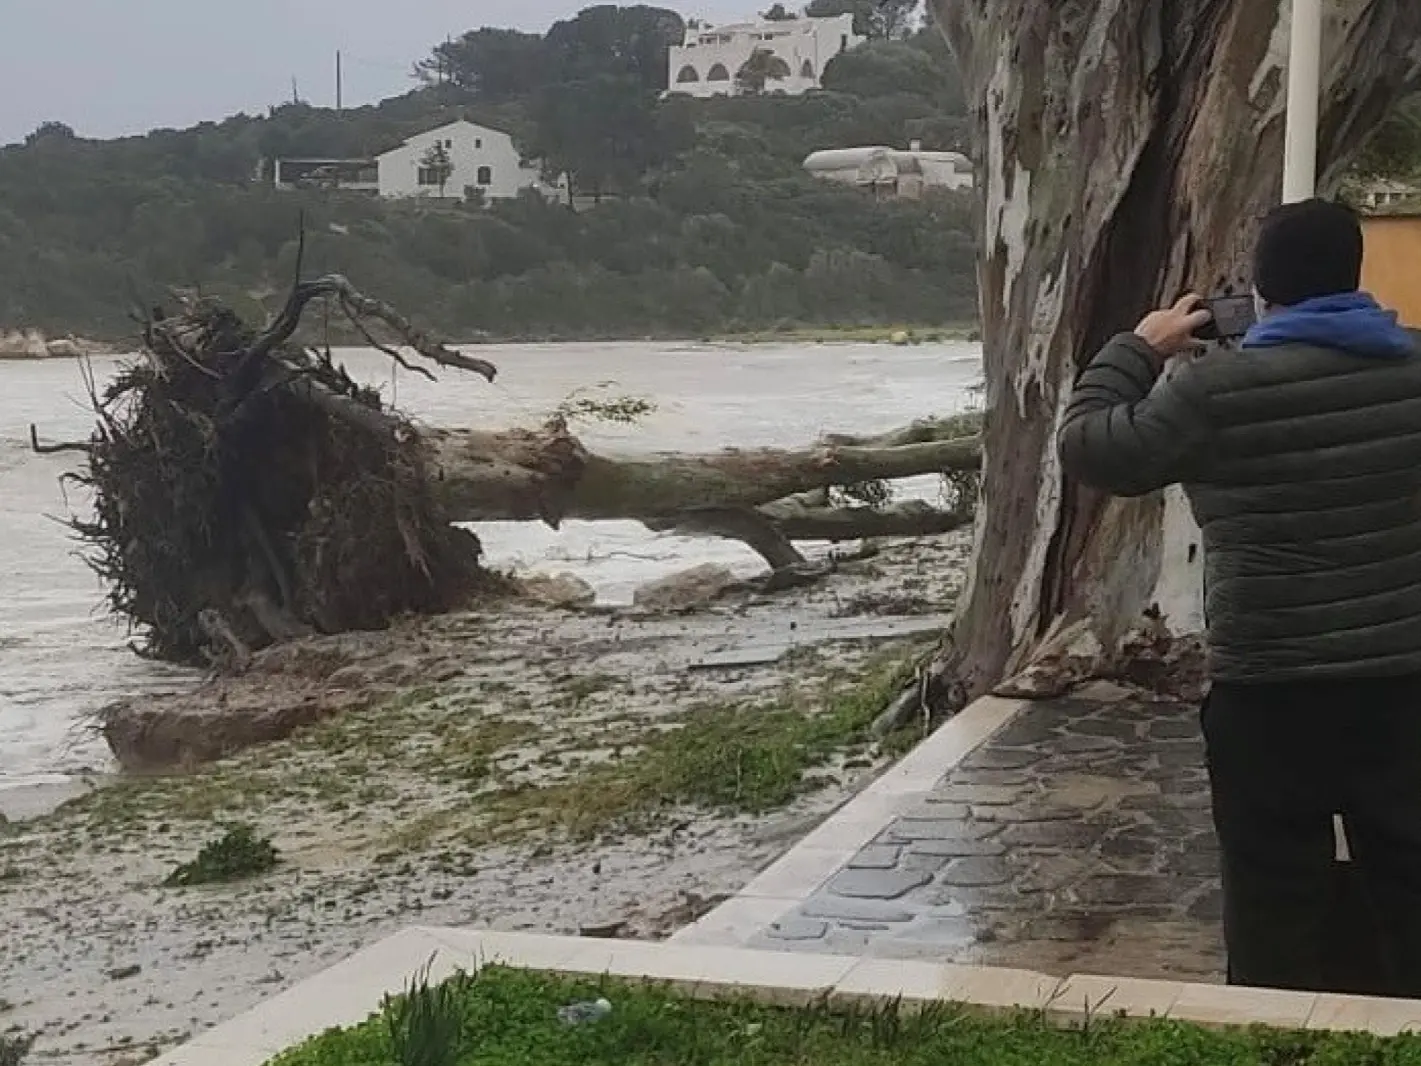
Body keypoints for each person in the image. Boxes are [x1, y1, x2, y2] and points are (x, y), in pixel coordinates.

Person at [1058, 197, 1421, 996]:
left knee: (1271, 899)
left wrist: (1138, 348)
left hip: (1268, 693)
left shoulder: (1211, 394)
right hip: (1402, 686)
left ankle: (1277, 1040)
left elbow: (1089, 445)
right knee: (1409, 886)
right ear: (1353, 273)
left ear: (1257, 293)